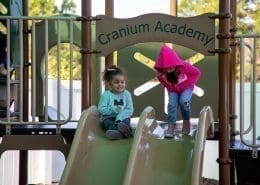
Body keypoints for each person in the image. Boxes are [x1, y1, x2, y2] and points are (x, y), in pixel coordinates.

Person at [154, 45, 201, 137]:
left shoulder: (184, 67)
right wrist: (169, 87)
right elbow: (161, 80)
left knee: (184, 102)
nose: (169, 70)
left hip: (187, 88)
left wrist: (188, 83)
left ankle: (186, 121)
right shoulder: (162, 74)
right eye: (166, 69)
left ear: (176, 64)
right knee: (171, 105)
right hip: (173, 90)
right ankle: (171, 125)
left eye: (171, 68)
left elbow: (197, 73)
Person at [98, 65, 134, 140]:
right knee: (108, 122)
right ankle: (115, 133)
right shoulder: (106, 95)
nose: (120, 84)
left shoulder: (126, 94)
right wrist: (113, 110)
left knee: (125, 121)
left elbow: (129, 110)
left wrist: (120, 117)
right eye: (116, 82)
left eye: (122, 82)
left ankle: (126, 131)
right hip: (109, 117)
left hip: (123, 117)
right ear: (110, 84)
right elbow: (101, 109)